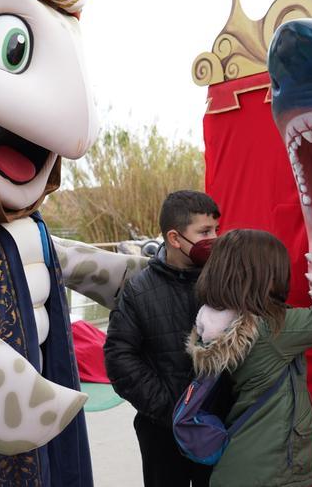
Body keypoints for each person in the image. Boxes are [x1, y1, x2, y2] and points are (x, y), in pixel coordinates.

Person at [186, 226, 312, 487]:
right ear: (264, 275)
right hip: (272, 472)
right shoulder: (269, 330)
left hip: (239, 465)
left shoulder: (217, 321)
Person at [104, 190, 221, 487]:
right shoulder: (137, 291)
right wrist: (172, 411)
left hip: (220, 427)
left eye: (217, 229)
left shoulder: (225, 283)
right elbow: (119, 359)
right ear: (174, 238)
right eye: (205, 231)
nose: (215, 238)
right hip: (161, 432)